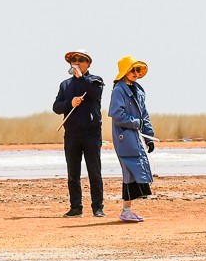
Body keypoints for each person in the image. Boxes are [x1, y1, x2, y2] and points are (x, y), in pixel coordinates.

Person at [52, 50, 105, 218]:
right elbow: (56, 107)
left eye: (81, 60)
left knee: (94, 172)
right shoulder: (65, 85)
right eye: (74, 60)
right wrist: (70, 102)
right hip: (72, 135)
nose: (77, 62)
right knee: (73, 173)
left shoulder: (96, 81)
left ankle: (98, 207)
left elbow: (95, 93)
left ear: (88, 63)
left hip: (92, 134)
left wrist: (81, 77)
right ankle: (76, 207)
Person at [108, 56, 155, 222]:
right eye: (132, 70)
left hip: (136, 137)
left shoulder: (139, 90)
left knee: (136, 171)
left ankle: (127, 210)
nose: (135, 73)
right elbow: (117, 115)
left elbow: (145, 115)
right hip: (123, 137)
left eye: (137, 70)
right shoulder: (118, 90)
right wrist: (137, 123)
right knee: (129, 172)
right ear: (124, 72)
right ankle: (125, 210)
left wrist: (149, 136)